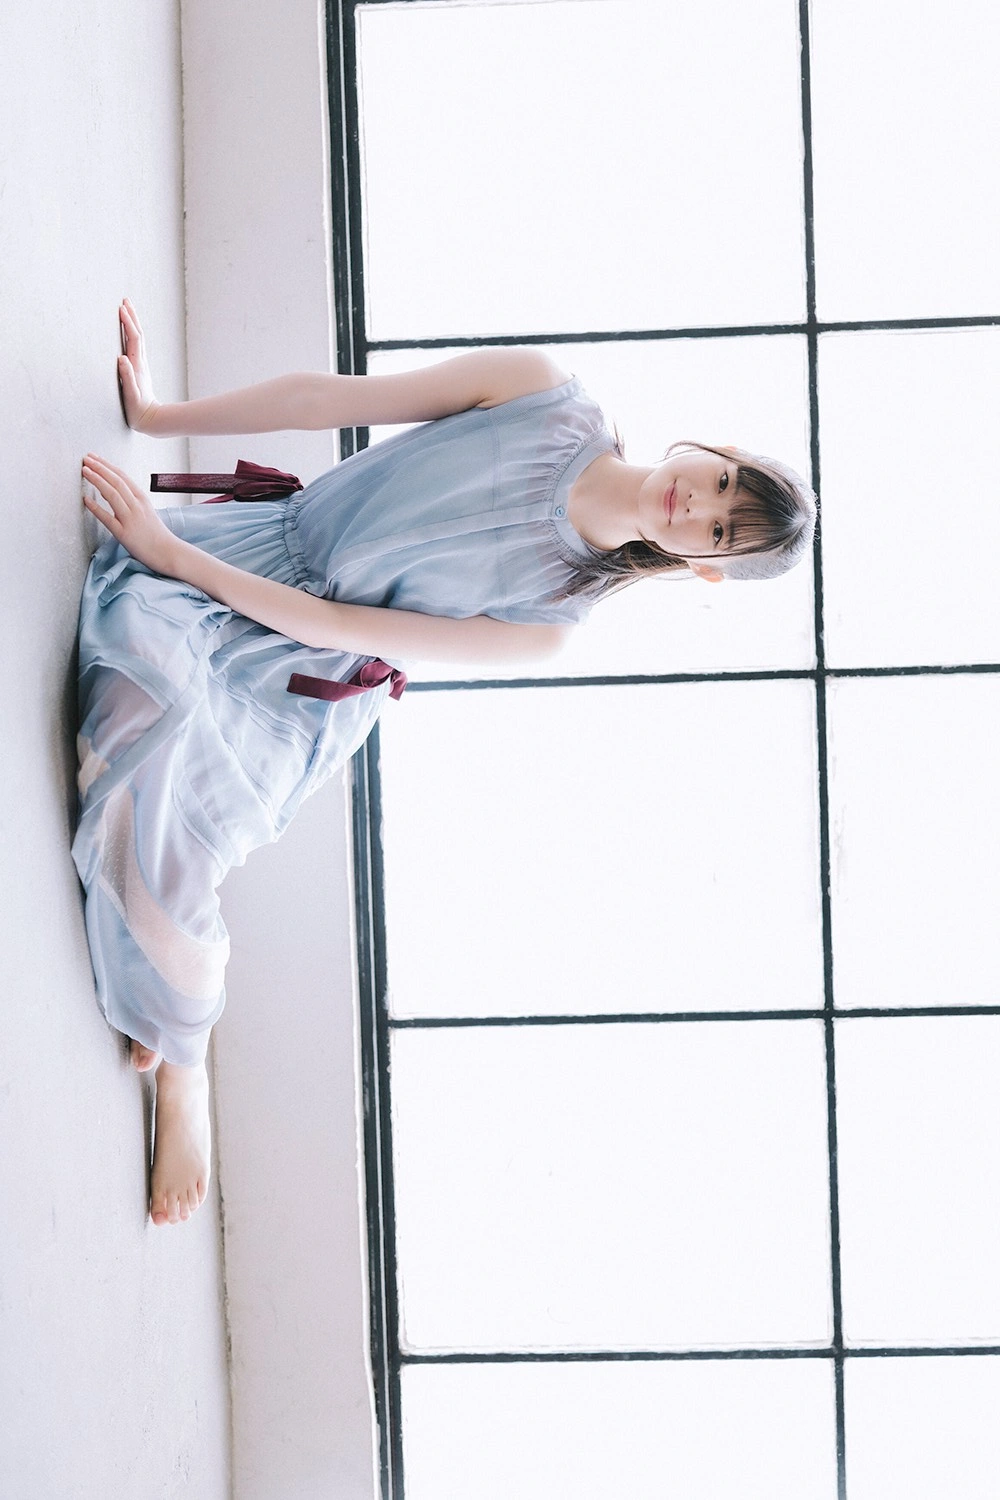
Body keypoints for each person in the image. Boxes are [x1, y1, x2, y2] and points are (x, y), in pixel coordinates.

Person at [75, 299, 816, 1226]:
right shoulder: (542, 390)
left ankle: (185, 1051)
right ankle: (158, 974)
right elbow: (321, 399)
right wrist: (156, 419)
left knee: (170, 796)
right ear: (717, 450)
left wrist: (168, 552)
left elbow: (340, 626)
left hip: (296, 670)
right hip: (251, 557)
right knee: (132, 686)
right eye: (722, 482)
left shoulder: (552, 624)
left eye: (718, 532)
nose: (697, 504)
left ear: (702, 567)